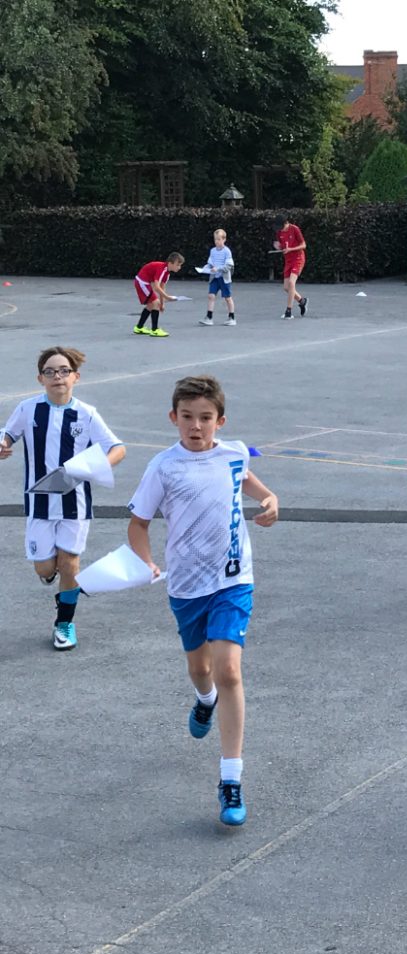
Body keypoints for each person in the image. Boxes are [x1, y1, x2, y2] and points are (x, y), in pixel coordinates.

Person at [126, 375, 279, 826]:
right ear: (173, 419)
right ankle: (203, 699)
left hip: (234, 579)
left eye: (206, 418)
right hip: (186, 586)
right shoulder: (163, 467)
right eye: (188, 417)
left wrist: (270, 499)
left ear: (221, 421)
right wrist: (148, 562)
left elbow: (250, 482)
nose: (197, 426)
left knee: (230, 668)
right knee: (201, 669)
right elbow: (137, 524)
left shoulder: (233, 453)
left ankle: (230, 780)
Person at [0, 347, 126, 650]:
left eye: (64, 371)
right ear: (40, 378)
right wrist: (2, 444)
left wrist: (99, 466)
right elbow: (7, 434)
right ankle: (54, 577)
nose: (58, 376)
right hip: (39, 503)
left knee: (70, 564)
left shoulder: (87, 414)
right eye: (50, 372)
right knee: (45, 568)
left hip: (75, 504)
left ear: (76, 377)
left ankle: (64, 623)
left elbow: (117, 448)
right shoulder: (28, 409)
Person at [133, 252, 185, 337]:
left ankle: (139, 327)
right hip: (142, 282)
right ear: (170, 263)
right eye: (178, 265)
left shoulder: (167, 273)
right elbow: (157, 287)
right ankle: (155, 330)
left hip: (145, 282)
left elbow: (162, 287)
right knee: (155, 303)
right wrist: (167, 297)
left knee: (151, 305)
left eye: (180, 265)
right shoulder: (162, 269)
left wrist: (162, 303)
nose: (179, 267)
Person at [198, 228, 236, 327]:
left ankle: (232, 317)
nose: (217, 241)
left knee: (228, 298)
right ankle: (209, 317)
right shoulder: (212, 251)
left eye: (219, 239)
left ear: (224, 239)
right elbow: (210, 263)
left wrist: (218, 269)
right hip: (214, 278)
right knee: (211, 296)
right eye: (215, 239)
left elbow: (229, 266)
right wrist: (205, 268)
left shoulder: (227, 251)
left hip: (224, 279)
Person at [273, 214, 307, 319]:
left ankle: (288, 311)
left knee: (292, 283)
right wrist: (278, 246)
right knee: (287, 288)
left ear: (286, 223)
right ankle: (302, 301)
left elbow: (303, 245)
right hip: (288, 260)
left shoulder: (295, 229)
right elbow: (282, 244)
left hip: (298, 258)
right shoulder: (279, 232)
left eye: (282, 227)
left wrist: (291, 249)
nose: (281, 230)